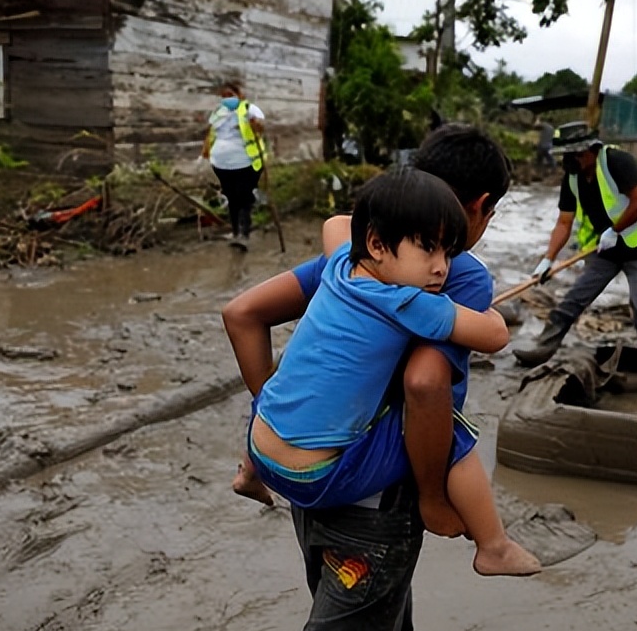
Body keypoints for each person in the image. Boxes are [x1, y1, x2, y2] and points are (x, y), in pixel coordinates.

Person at [220, 124, 514, 631]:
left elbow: (245, 309)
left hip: (307, 479)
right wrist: (435, 496)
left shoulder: (357, 254)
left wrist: (277, 406)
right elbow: (424, 382)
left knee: (375, 619)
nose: (441, 260)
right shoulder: (458, 276)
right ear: (480, 207)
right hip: (370, 502)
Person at [229, 168, 540, 577]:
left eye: (448, 253)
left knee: (292, 377)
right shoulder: (405, 302)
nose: (441, 269)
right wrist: (476, 306)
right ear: (376, 243)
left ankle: (249, 473)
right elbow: (495, 334)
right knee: (448, 422)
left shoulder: (340, 262)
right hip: (315, 479)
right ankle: (493, 545)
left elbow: (335, 225)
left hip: (260, 442)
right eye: (427, 249)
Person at [512, 128, 637, 368]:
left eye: (571, 156)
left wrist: (616, 231)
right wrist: (548, 259)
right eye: (563, 156)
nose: (566, 162)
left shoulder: (617, 162)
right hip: (605, 247)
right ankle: (543, 348)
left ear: (588, 151)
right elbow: (564, 222)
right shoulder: (572, 177)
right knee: (575, 298)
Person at [202, 80, 265, 249]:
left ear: (239, 94)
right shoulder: (218, 112)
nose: (226, 99)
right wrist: (206, 149)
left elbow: (260, 128)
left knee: (244, 197)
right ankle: (235, 232)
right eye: (223, 96)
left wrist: (255, 124)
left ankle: (245, 235)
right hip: (221, 164)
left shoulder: (249, 109)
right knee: (231, 198)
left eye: (230, 95)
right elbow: (211, 133)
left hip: (245, 163)